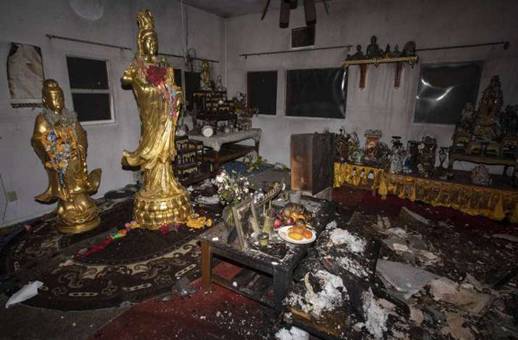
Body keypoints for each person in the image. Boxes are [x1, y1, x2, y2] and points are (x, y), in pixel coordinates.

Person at [121, 9, 192, 228]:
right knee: (152, 148)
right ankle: (153, 187)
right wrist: (145, 85)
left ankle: (166, 184)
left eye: (155, 41)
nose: (152, 45)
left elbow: (174, 88)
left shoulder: (164, 66)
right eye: (148, 41)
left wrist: (175, 94)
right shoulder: (137, 66)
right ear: (142, 43)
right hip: (152, 118)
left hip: (165, 117)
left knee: (165, 153)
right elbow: (126, 80)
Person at [31, 79, 101, 233]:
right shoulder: (43, 119)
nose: (59, 101)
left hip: (75, 162)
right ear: (45, 100)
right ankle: (66, 208)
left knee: (87, 204)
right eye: (55, 98)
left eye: (61, 98)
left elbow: (81, 134)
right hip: (60, 163)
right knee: (67, 205)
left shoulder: (70, 116)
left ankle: (82, 206)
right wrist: (55, 149)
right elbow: (37, 139)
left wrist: (79, 147)